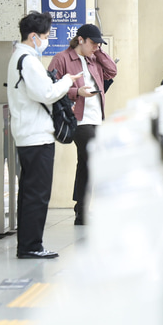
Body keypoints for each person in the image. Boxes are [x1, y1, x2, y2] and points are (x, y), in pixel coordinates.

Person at [7, 12, 81, 258]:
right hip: (36, 136)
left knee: (30, 192)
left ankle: (28, 244)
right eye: (46, 36)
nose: (47, 40)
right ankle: (31, 246)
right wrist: (67, 81)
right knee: (37, 194)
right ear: (33, 37)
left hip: (29, 134)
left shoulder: (21, 57)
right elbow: (46, 93)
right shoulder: (27, 60)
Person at [48, 24, 117, 225]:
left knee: (85, 163)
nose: (96, 47)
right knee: (93, 159)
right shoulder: (62, 58)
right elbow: (51, 85)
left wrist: (99, 50)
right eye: (93, 43)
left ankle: (81, 210)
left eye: (98, 44)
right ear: (80, 40)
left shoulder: (93, 59)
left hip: (96, 117)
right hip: (78, 118)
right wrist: (75, 93)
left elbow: (112, 71)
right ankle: (84, 208)